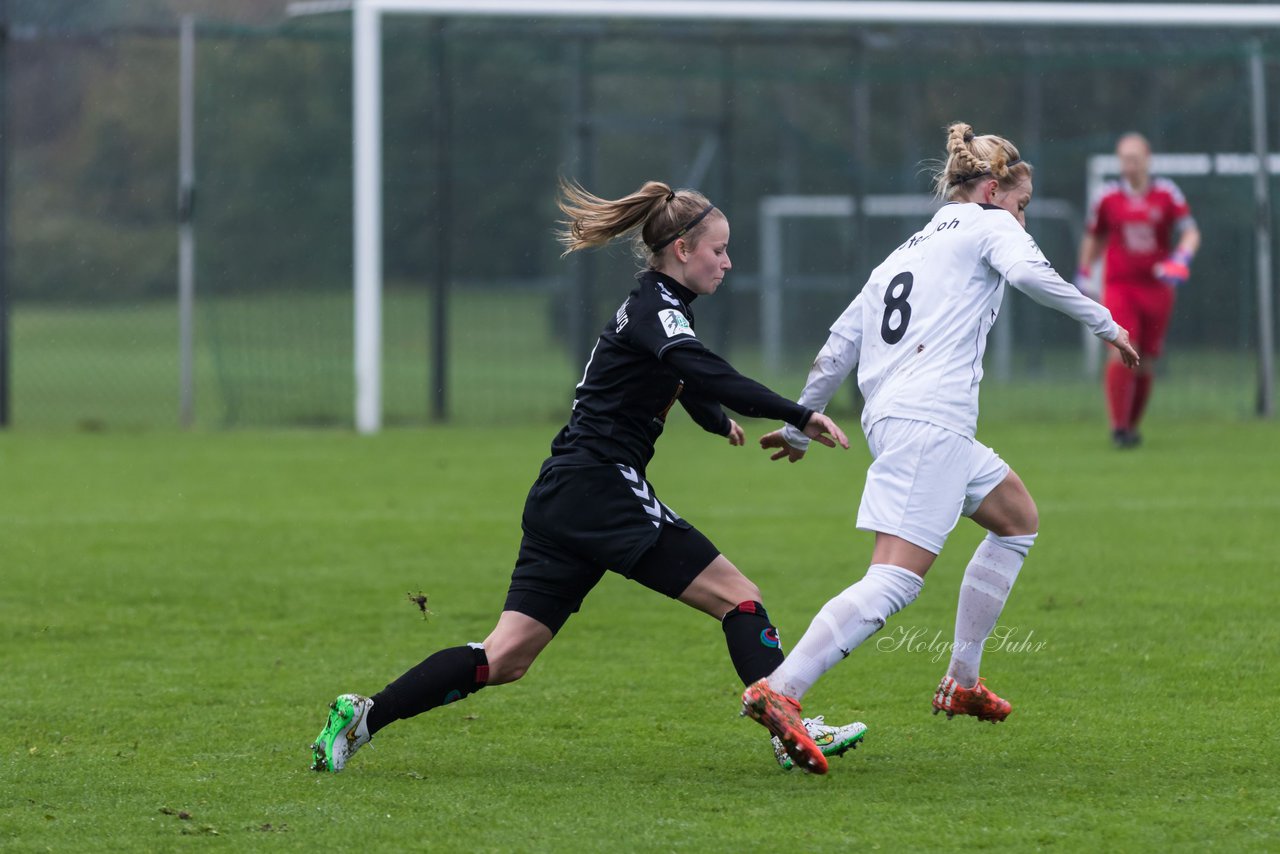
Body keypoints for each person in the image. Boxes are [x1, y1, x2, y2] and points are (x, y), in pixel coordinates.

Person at [310, 179, 862, 776]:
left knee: (505, 657)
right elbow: (702, 369)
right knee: (741, 599)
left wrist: (713, 419)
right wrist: (800, 412)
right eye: (719, 250)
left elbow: (684, 376)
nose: (728, 262)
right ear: (682, 248)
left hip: (562, 493)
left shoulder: (652, 309)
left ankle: (362, 717)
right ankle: (789, 727)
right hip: (601, 487)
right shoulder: (657, 311)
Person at [738, 122, 1140, 773]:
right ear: (991, 188)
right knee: (894, 581)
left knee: (1016, 520)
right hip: (931, 423)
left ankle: (962, 679)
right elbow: (1035, 278)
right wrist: (1108, 323)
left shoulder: (903, 253)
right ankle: (783, 690)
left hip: (901, 419)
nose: (1023, 214)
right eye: (1022, 201)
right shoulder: (991, 225)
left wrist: (795, 424)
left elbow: (838, 344)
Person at [1076, 132, 1201, 448]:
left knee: (1146, 360)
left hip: (1157, 289)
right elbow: (1094, 236)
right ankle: (1118, 428)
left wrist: (1180, 259)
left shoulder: (1167, 194)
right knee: (1120, 349)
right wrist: (1084, 270)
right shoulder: (1107, 197)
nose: (1128, 165)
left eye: (1134, 158)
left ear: (1147, 159)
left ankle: (1130, 428)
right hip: (1120, 286)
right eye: (1123, 159)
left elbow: (1190, 233)